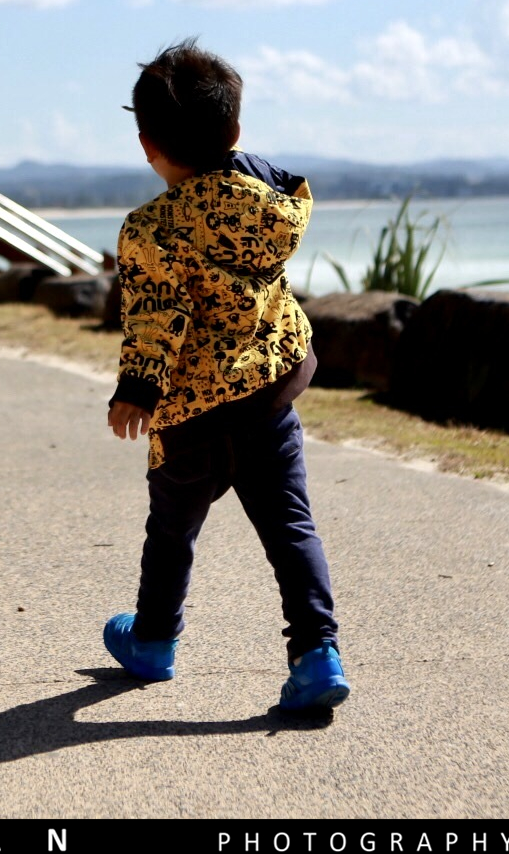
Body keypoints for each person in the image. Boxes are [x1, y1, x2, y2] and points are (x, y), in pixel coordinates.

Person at [101, 40, 349, 712]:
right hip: (269, 401)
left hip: (192, 418)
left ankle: (153, 643)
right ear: (235, 132)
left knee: (171, 532)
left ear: (147, 145)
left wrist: (138, 390)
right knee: (292, 530)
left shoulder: (153, 227)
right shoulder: (272, 203)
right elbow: (282, 176)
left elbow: (157, 314)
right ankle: (317, 653)